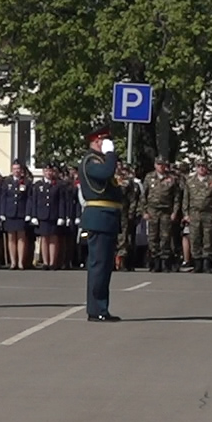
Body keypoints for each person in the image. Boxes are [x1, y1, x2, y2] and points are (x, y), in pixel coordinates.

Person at [78, 127, 125, 321]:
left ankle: (100, 308)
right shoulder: (91, 161)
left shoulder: (99, 160)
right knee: (99, 265)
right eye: (105, 141)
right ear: (97, 142)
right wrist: (111, 154)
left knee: (105, 266)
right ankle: (96, 310)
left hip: (107, 217)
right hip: (98, 217)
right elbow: (106, 173)